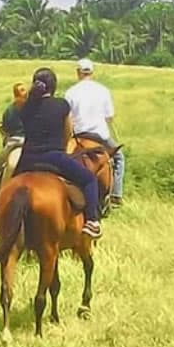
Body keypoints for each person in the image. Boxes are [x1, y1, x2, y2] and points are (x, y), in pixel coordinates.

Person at [18, 67, 103, 237]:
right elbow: (67, 134)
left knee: (6, 185)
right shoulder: (61, 105)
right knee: (89, 179)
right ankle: (92, 221)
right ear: (53, 86)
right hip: (53, 158)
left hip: (26, 159)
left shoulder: (26, 107)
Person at [65, 58, 123, 207]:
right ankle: (116, 195)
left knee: (63, 160)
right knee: (119, 158)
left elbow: (68, 119)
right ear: (92, 72)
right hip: (100, 136)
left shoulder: (70, 92)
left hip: (78, 137)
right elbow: (109, 116)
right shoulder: (103, 90)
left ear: (78, 73)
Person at [0, 82, 29, 209]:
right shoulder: (32, 108)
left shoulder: (9, 110)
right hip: (30, 140)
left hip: (14, 141)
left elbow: (6, 130)